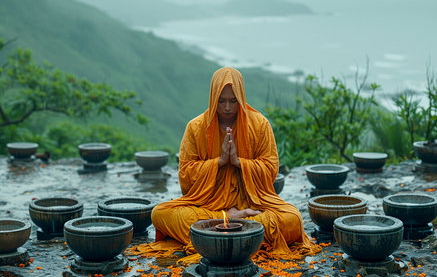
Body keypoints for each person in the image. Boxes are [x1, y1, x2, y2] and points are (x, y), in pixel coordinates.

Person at [129, 67, 321, 260]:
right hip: (209, 206)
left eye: (233, 101)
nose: (227, 107)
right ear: (213, 98)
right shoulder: (196, 127)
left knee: (293, 219)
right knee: (160, 214)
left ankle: (213, 234)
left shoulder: (260, 124)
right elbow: (185, 174)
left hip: (251, 205)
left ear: (241, 97)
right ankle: (238, 227)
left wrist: (239, 163)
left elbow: (271, 168)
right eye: (221, 101)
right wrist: (219, 162)